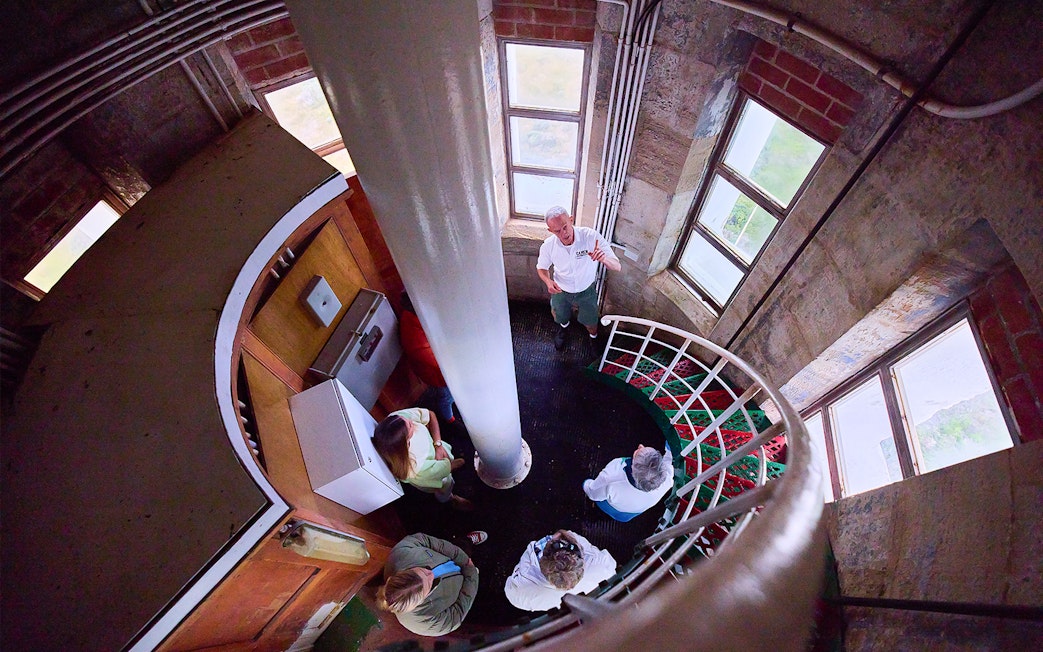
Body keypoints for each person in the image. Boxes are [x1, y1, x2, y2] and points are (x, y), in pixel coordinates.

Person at [536, 206, 621, 351]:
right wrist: (548, 281)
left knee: (591, 320)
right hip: (561, 289)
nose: (564, 233)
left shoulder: (590, 237)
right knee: (559, 315)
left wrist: (604, 259)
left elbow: (617, 266)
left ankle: (593, 337)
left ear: (571, 220)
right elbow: (541, 267)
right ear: (551, 231)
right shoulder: (548, 246)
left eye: (565, 227)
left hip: (586, 289)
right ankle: (563, 328)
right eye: (557, 231)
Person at [376, 532, 481, 636]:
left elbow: (423, 540)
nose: (431, 574)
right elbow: (458, 612)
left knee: (462, 546)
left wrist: (461, 557)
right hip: (464, 582)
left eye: (423, 570)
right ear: (420, 601)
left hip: (451, 557)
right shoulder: (426, 623)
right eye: (429, 585)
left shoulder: (400, 554)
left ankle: (467, 541)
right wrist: (471, 576)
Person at [372, 407, 473, 510]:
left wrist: (438, 445)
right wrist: (451, 465)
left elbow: (430, 414)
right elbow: (441, 472)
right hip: (434, 476)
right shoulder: (415, 468)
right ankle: (450, 498)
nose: (411, 421)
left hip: (435, 453)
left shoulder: (398, 421)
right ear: (405, 444)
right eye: (410, 425)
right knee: (445, 487)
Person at [503, 529, 617, 612]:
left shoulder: (521, 590)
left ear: (543, 561)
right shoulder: (602, 566)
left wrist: (565, 537)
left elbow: (509, 586)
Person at [399, 291, 456, 423]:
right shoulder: (414, 335)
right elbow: (435, 361)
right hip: (436, 375)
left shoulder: (414, 317)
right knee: (446, 397)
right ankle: (450, 420)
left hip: (436, 368)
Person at [583, 444, 673, 522]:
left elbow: (593, 493)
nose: (640, 446)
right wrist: (669, 447)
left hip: (612, 508)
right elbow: (669, 458)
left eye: (637, 455)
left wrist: (586, 484)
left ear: (633, 469)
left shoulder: (612, 477)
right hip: (628, 515)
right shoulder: (667, 479)